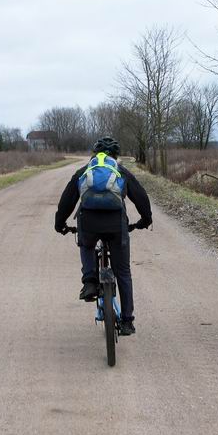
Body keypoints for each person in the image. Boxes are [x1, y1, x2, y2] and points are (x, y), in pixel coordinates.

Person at [54, 137, 152, 336]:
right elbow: (141, 197)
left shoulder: (84, 172)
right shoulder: (121, 171)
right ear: (115, 155)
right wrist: (145, 220)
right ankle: (127, 321)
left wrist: (60, 224)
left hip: (89, 223)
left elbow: (66, 201)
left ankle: (89, 281)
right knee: (123, 272)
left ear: (94, 153)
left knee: (87, 244)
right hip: (116, 225)